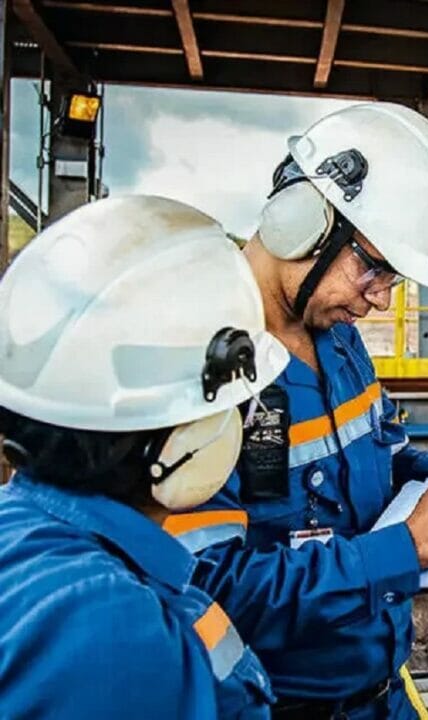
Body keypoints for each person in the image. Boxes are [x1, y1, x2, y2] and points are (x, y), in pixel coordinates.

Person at [164, 102, 428, 719]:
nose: (381, 301)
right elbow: (206, 590)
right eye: (376, 268)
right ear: (300, 221)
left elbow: (363, 460)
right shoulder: (199, 366)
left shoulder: (337, 337)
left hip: (382, 693)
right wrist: (408, 546)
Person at [0, 195, 291, 718]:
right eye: (236, 409)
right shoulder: (113, 633)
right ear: (180, 444)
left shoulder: (22, 536)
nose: (245, 425)